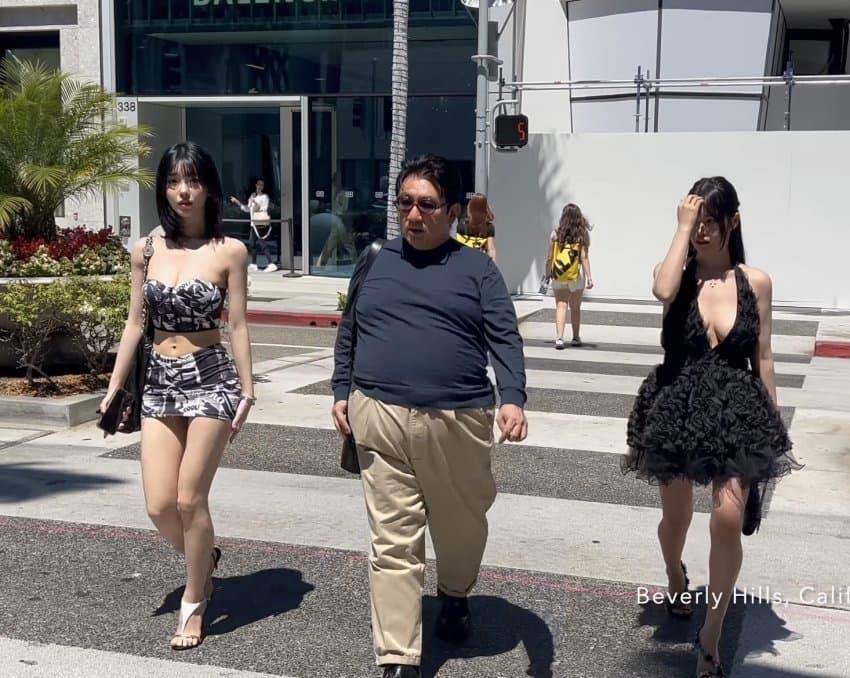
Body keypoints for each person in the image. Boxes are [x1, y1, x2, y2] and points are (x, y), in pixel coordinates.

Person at [331, 154, 528, 678]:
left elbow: (504, 336)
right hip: (380, 413)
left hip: (457, 421)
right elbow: (350, 328)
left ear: (455, 211)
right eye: (405, 204)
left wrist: (512, 396)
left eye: (427, 205)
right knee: (393, 542)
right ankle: (398, 656)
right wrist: (340, 390)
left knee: (462, 526)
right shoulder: (376, 259)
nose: (413, 215)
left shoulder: (477, 269)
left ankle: (455, 591)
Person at [621, 177, 800, 678]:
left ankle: (711, 635)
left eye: (710, 221)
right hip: (677, 403)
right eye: (695, 220)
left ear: (733, 223)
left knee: (726, 518)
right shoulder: (675, 275)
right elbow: (661, 289)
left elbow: (763, 356)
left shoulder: (755, 282)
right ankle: (675, 573)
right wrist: (680, 226)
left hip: (735, 410)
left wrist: (771, 422)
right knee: (675, 521)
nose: (701, 230)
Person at [101, 142, 255, 651]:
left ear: (208, 186)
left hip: (211, 378)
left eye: (192, 181)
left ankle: (195, 600)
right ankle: (203, 555)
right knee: (159, 504)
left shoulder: (229, 251)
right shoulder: (146, 249)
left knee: (191, 497)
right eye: (173, 181)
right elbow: (134, 324)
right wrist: (115, 385)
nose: (183, 192)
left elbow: (235, 324)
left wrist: (248, 390)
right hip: (161, 381)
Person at [545, 203, 594, 348]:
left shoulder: (555, 234)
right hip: (575, 276)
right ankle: (576, 337)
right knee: (575, 307)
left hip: (559, 275)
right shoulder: (581, 235)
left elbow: (549, 257)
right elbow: (584, 258)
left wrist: (547, 274)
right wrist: (590, 277)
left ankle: (559, 338)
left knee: (561, 305)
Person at [230, 177, 277, 273]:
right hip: (253, 224)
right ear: (256, 185)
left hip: (260, 222)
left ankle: (271, 263)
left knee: (262, 243)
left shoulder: (265, 197)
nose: (260, 186)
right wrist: (237, 202)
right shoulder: (252, 196)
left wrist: (255, 202)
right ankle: (254, 264)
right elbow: (247, 209)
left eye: (262, 185)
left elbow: (263, 209)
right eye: (258, 184)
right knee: (252, 244)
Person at [456, 192, 497, 261]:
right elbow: (459, 249)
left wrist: (493, 266)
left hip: (480, 261)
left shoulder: (489, 227)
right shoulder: (462, 226)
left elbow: (491, 249)